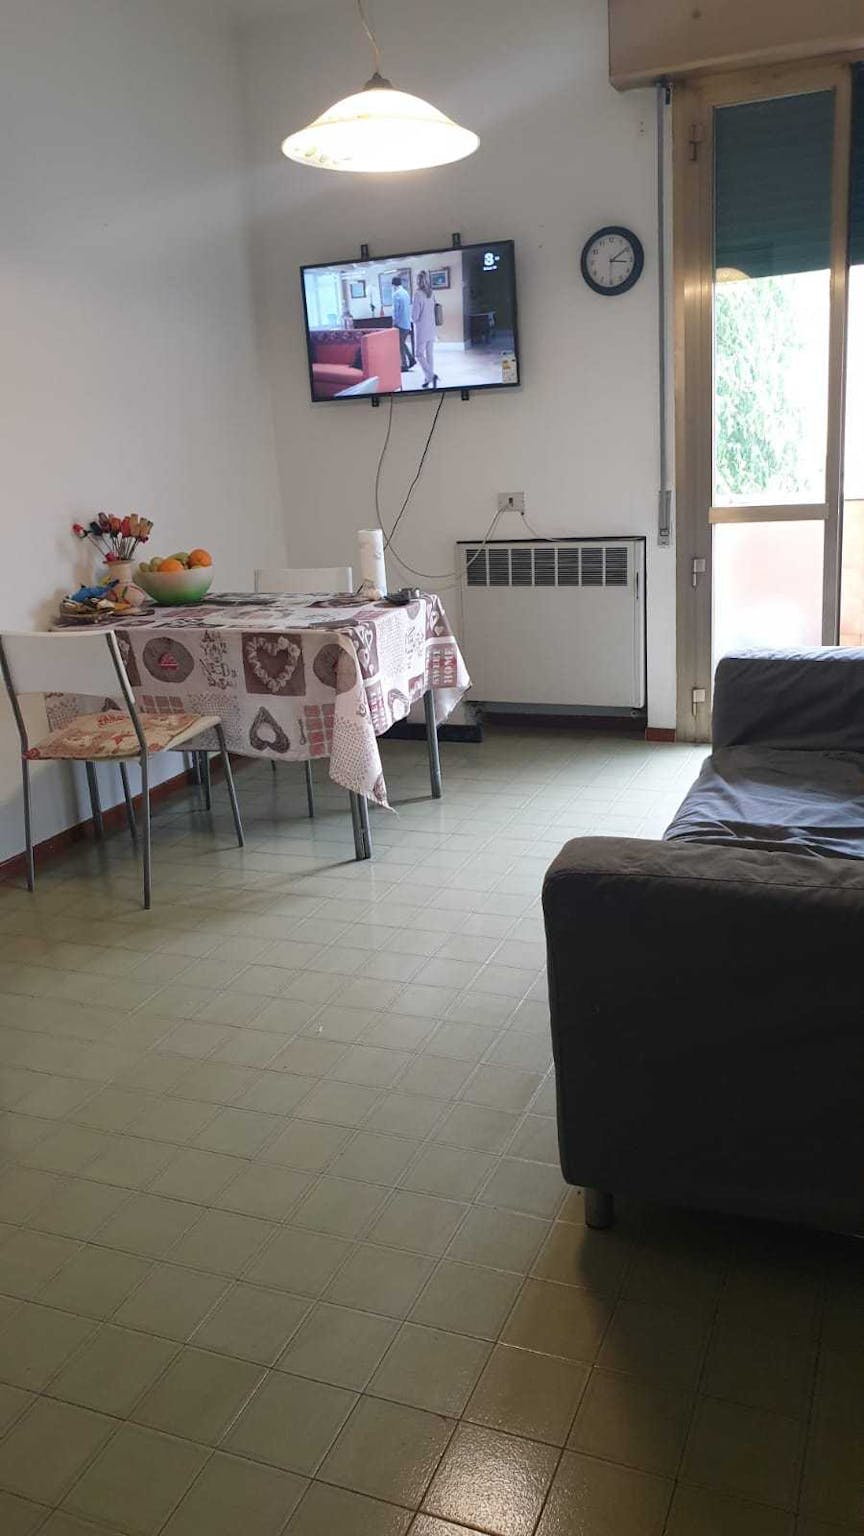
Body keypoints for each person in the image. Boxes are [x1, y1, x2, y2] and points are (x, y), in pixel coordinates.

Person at [412, 270, 438, 388]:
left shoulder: (418, 294)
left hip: (422, 330)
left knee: (418, 354)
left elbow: (415, 316)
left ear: (418, 280)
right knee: (429, 355)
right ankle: (428, 378)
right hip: (432, 328)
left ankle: (431, 376)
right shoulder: (431, 293)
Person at [390, 276, 414, 370]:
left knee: (400, 344)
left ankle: (404, 365)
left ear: (393, 285)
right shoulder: (405, 293)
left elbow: (396, 310)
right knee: (402, 343)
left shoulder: (396, 294)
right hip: (407, 322)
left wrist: (394, 322)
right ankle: (411, 359)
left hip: (400, 323)